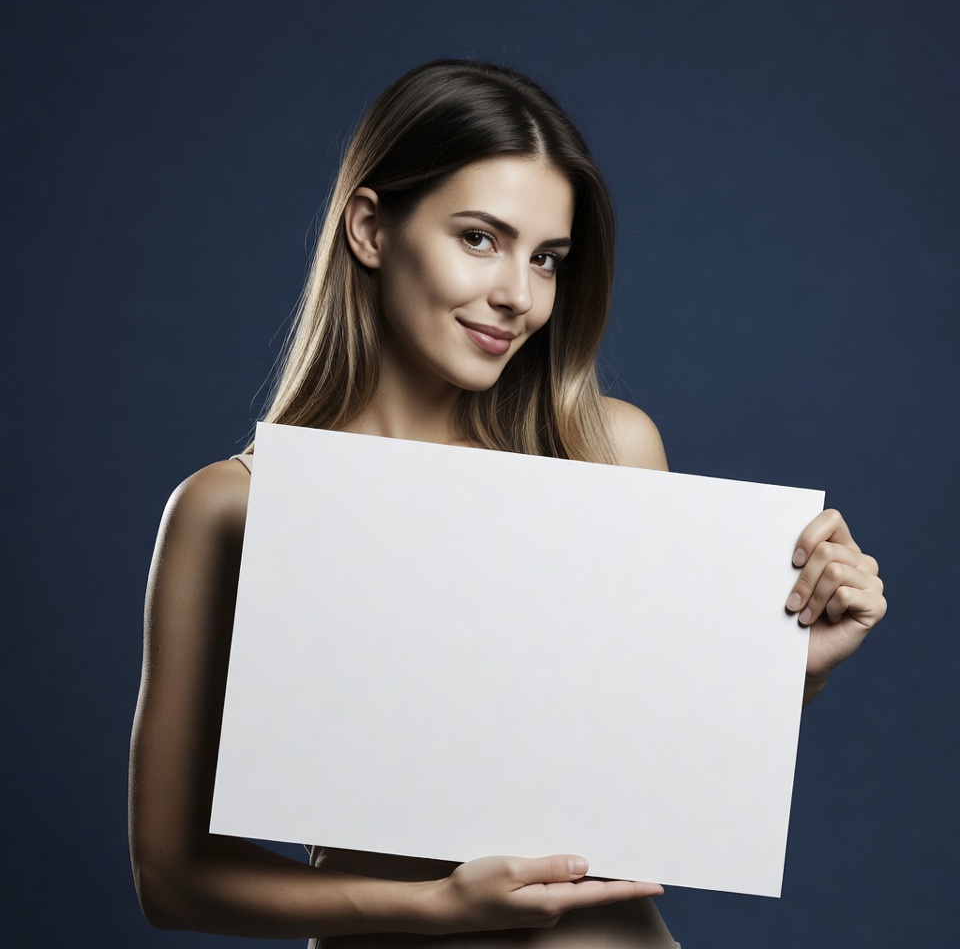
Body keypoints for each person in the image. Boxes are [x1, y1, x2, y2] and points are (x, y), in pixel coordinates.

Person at [128, 59, 886, 948]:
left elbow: (644, 764)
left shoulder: (604, 453)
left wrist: (795, 667)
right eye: (480, 239)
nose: (517, 297)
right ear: (371, 229)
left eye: (547, 259)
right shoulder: (236, 507)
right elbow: (173, 878)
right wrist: (432, 909)